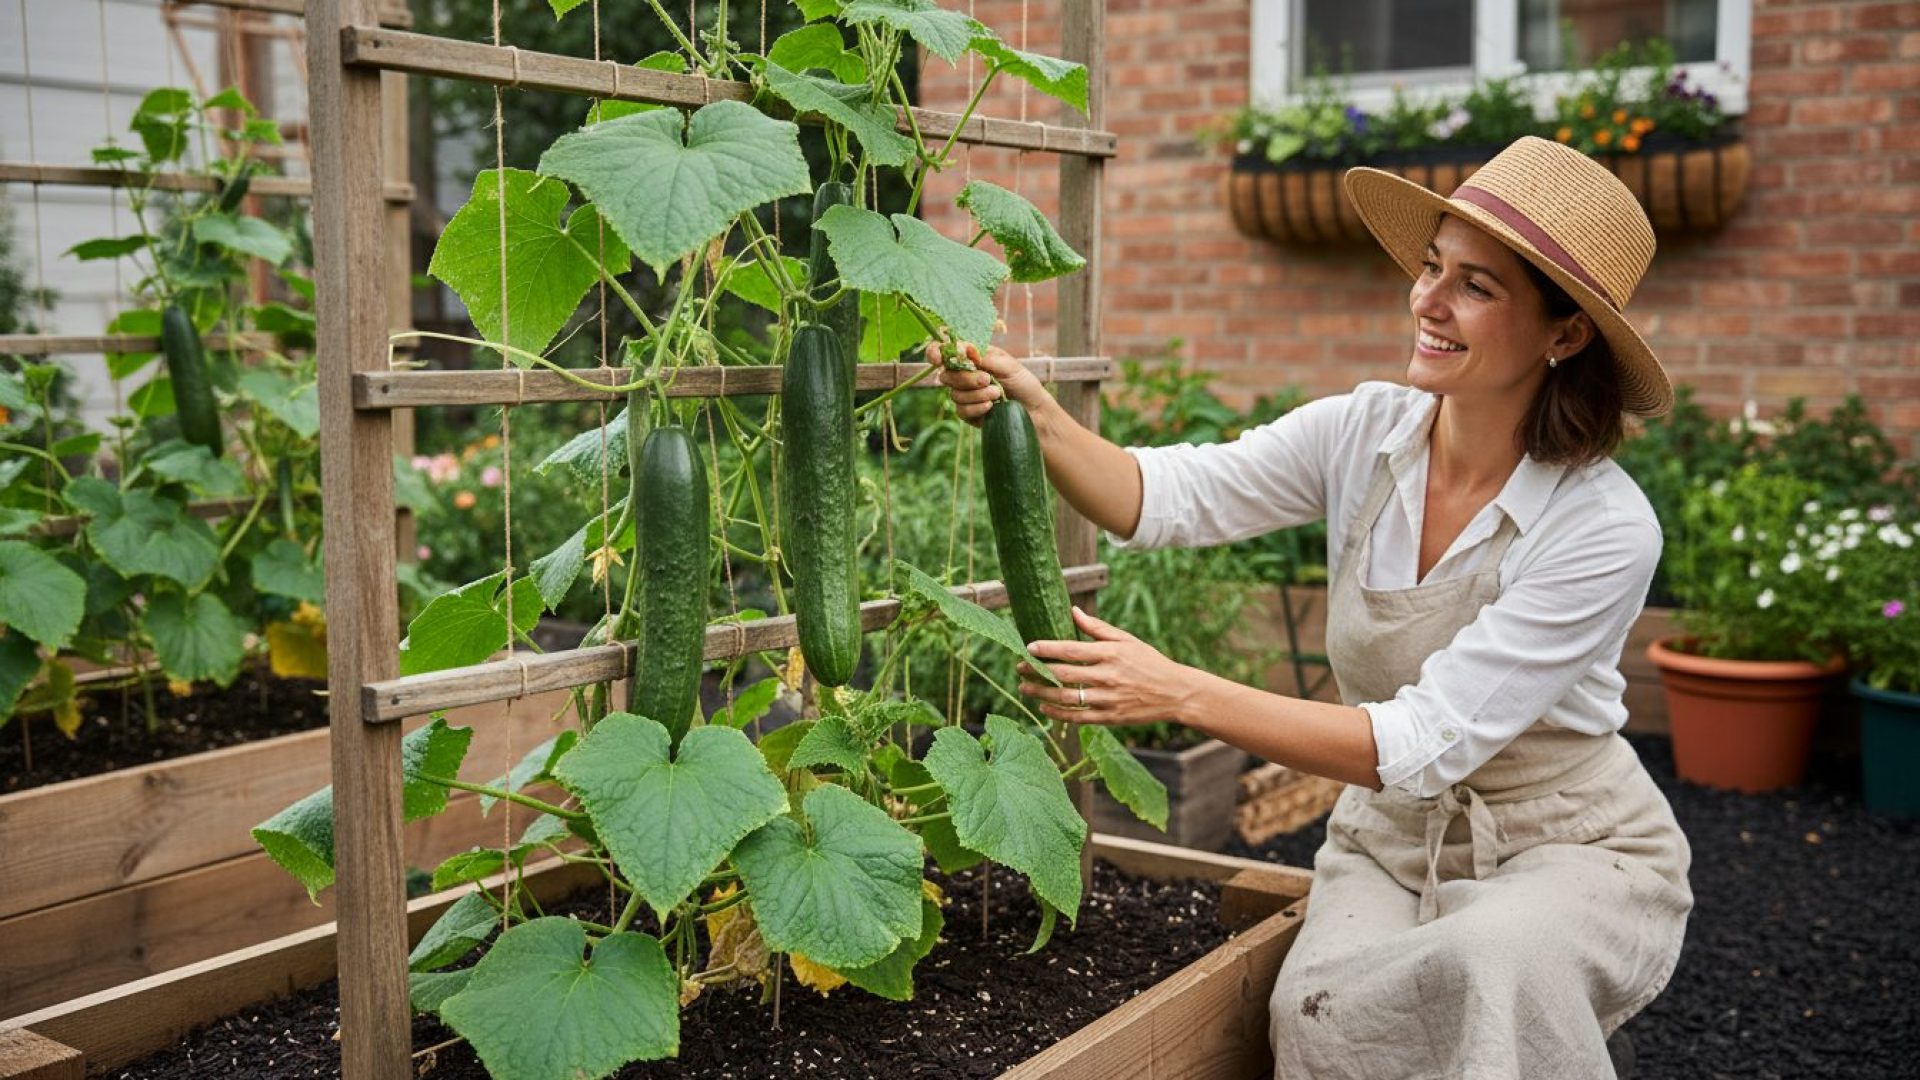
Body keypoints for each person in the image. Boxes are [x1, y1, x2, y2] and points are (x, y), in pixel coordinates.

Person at [934, 136, 1691, 1079]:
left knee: (1490, 963)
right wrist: (1036, 414)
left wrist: (1178, 691)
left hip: (1568, 841)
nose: (1428, 301)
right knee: (1317, 1014)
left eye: (1476, 287)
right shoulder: (1364, 431)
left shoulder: (1602, 527)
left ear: (1565, 335)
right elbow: (1160, 496)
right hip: (1393, 834)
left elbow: (1425, 741)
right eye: (1431, 267)